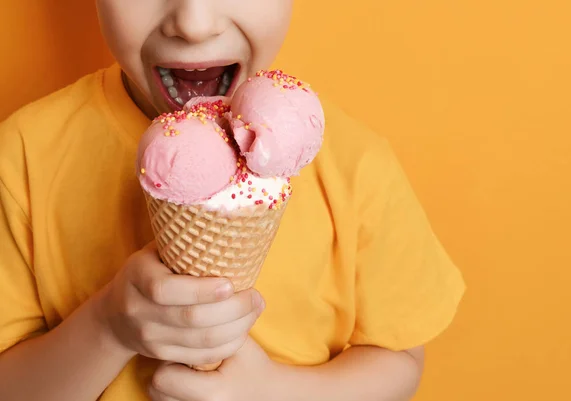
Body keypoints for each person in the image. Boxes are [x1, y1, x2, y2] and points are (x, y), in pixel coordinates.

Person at [0, 1, 465, 400]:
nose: (194, 22)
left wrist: (275, 392)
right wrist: (106, 328)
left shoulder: (357, 165)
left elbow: (400, 361)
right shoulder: (23, 155)